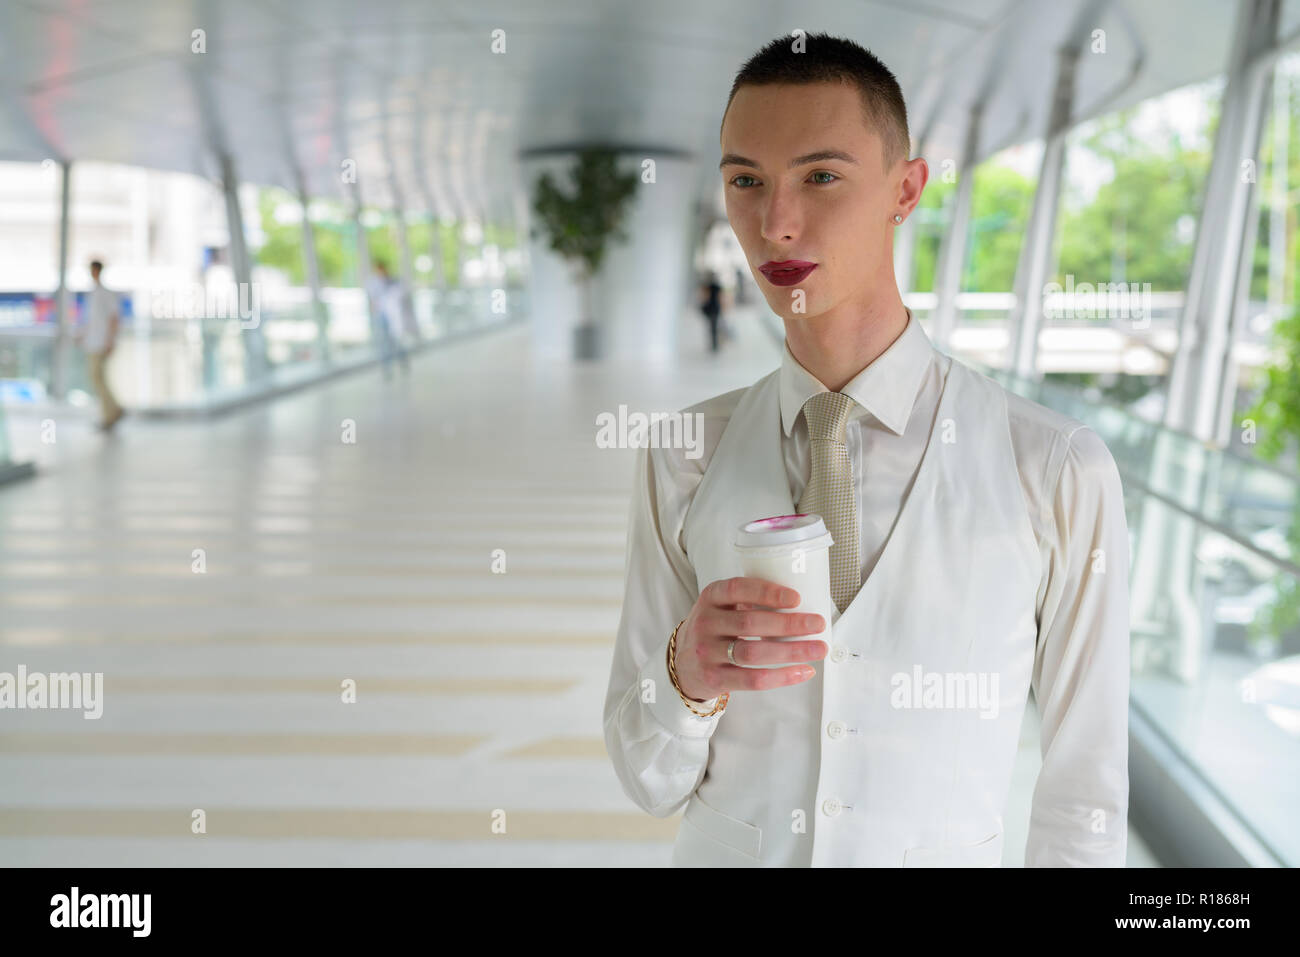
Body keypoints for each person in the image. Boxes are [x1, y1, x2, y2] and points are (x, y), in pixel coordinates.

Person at [604, 33, 1130, 867]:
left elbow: (1085, 788)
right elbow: (648, 777)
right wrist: (685, 674)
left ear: (907, 189)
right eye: (747, 181)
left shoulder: (1057, 468)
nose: (775, 222)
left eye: (821, 175)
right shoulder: (683, 454)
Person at [77, 260, 124, 431]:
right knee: (97, 378)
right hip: (93, 342)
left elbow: (114, 318)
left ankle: (111, 413)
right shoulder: (93, 293)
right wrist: (82, 335)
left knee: (97, 377)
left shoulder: (105, 293)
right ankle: (112, 411)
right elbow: (91, 320)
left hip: (101, 343)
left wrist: (110, 340)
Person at [365, 259, 409, 379]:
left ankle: (402, 358)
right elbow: (372, 299)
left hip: (393, 315)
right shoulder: (373, 282)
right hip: (381, 315)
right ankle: (387, 366)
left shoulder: (393, 281)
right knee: (384, 341)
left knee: (396, 339)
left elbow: (400, 295)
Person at [697, 271, 724, 352]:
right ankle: (715, 344)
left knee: (712, 326)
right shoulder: (717, 286)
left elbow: (705, 297)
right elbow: (720, 298)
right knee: (715, 326)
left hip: (710, 308)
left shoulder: (708, 286)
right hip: (716, 307)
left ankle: (714, 344)